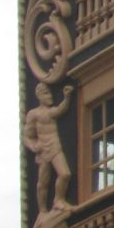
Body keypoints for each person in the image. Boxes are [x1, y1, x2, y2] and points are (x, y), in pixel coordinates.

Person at [23, 83, 72, 217]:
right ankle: (43, 210)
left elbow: (60, 110)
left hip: (55, 147)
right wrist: (34, 146)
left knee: (65, 174)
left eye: (49, 93)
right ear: (39, 96)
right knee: (43, 182)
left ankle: (58, 200)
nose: (49, 96)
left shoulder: (51, 111)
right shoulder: (34, 114)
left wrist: (67, 97)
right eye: (46, 94)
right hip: (43, 150)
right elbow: (27, 136)